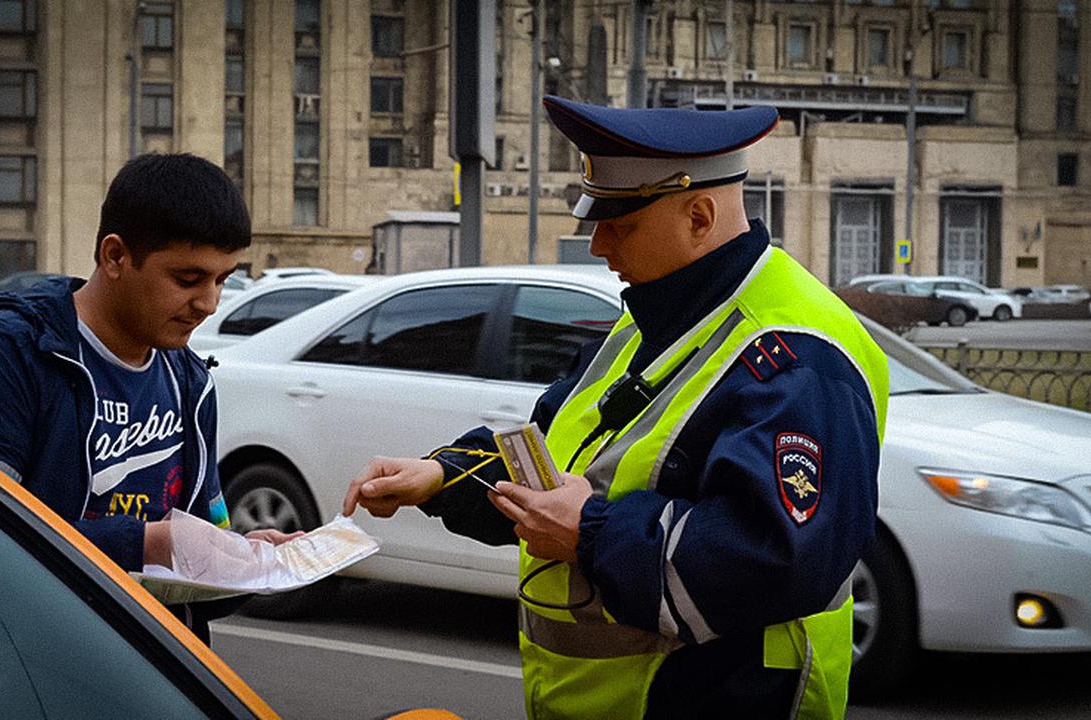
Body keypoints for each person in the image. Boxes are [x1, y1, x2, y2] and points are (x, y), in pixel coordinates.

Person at [344, 96, 888, 719]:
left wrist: (591, 533)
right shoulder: (655, 316)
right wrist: (443, 475)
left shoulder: (796, 355)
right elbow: (559, 453)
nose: (598, 243)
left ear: (700, 215)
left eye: (620, 224)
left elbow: (779, 559)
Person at [0, 153, 299, 644]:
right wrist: (146, 544)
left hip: (150, 667)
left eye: (221, 280)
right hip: (14, 668)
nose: (208, 304)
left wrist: (248, 562)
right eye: (188, 280)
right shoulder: (4, 355)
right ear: (115, 256)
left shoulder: (189, 379)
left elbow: (195, 556)